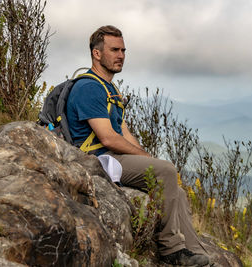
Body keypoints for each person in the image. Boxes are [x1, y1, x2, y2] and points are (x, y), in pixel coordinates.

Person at [66, 25, 210, 267]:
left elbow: (124, 132)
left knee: (174, 188)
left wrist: (149, 160)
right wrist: (157, 166)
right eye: (114, 50)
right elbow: (109, 138)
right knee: (165, 171)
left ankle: (196, 254)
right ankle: (171, 250)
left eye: (123, 50)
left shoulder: (109, 88)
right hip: (96, 159)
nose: (121, 55)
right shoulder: (88, 87)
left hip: (113, 157)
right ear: (97, 54)